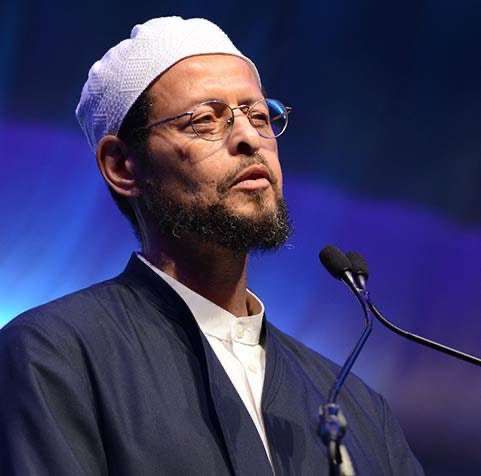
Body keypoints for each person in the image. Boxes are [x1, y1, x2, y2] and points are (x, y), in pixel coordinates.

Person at [0, 17, 424, 475]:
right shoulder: (56, 357)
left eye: (259, 116)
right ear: (122, 166)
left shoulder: (356, 407)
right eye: (206, 120)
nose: (248, 139)